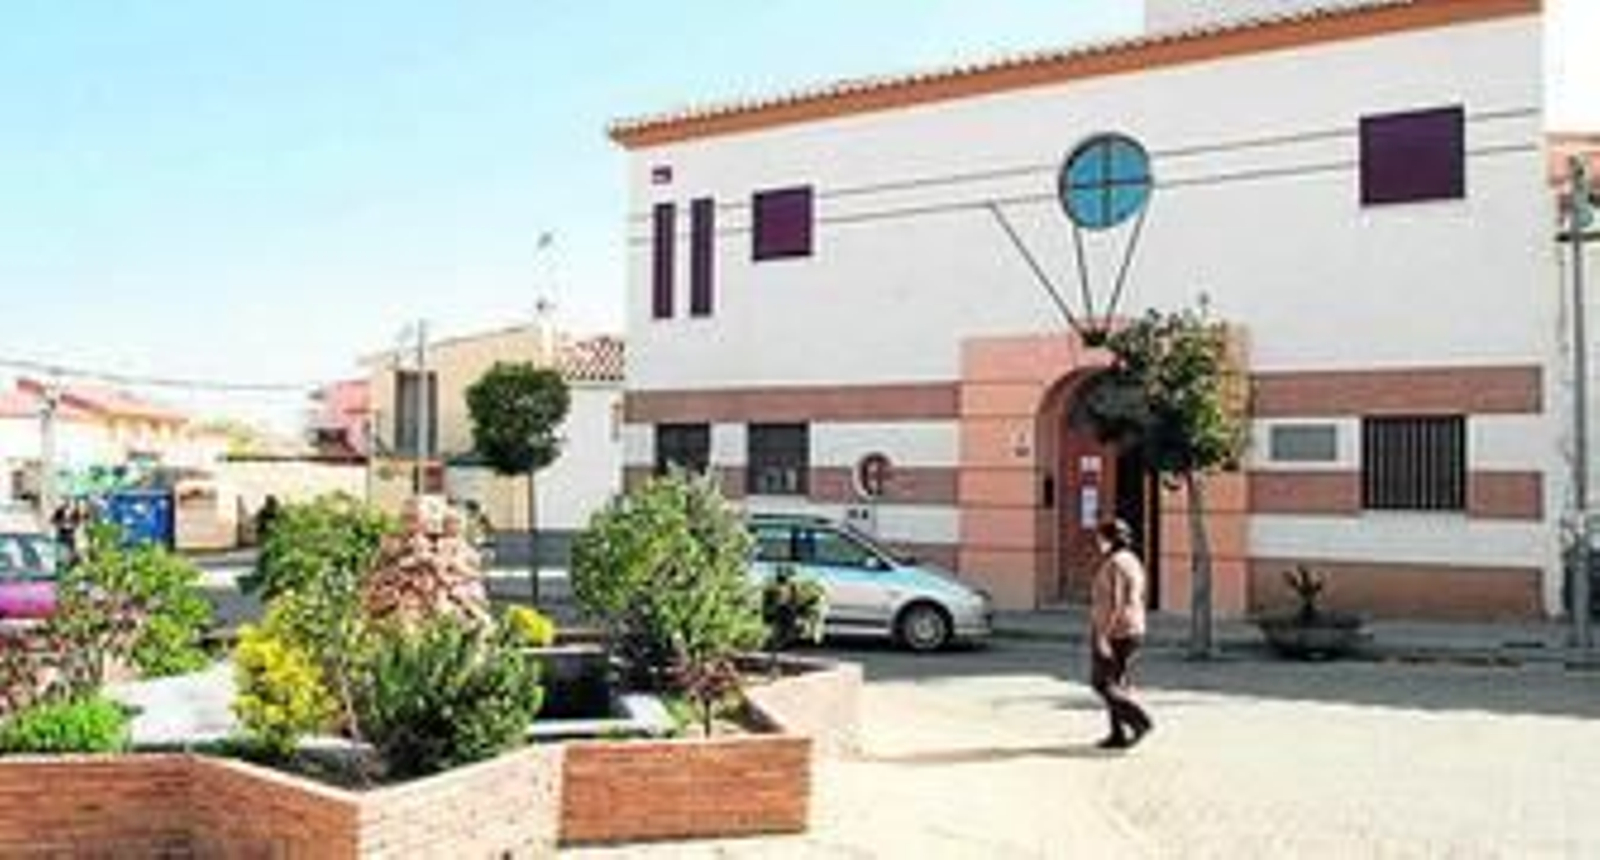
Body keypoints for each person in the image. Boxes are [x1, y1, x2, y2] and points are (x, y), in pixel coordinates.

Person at [1088, 518, 1152, 750]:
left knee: (1102, 683)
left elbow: (1115, 602)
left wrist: (1104, 635)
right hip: (1133, 628)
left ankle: (1139, 721)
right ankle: (1117, 734)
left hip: (1116, 630)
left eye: (1100, 537)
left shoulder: (1114, 563)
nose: (1098, 541)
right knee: (1116, 683)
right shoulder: (1132, 560)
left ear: (1109, 539)